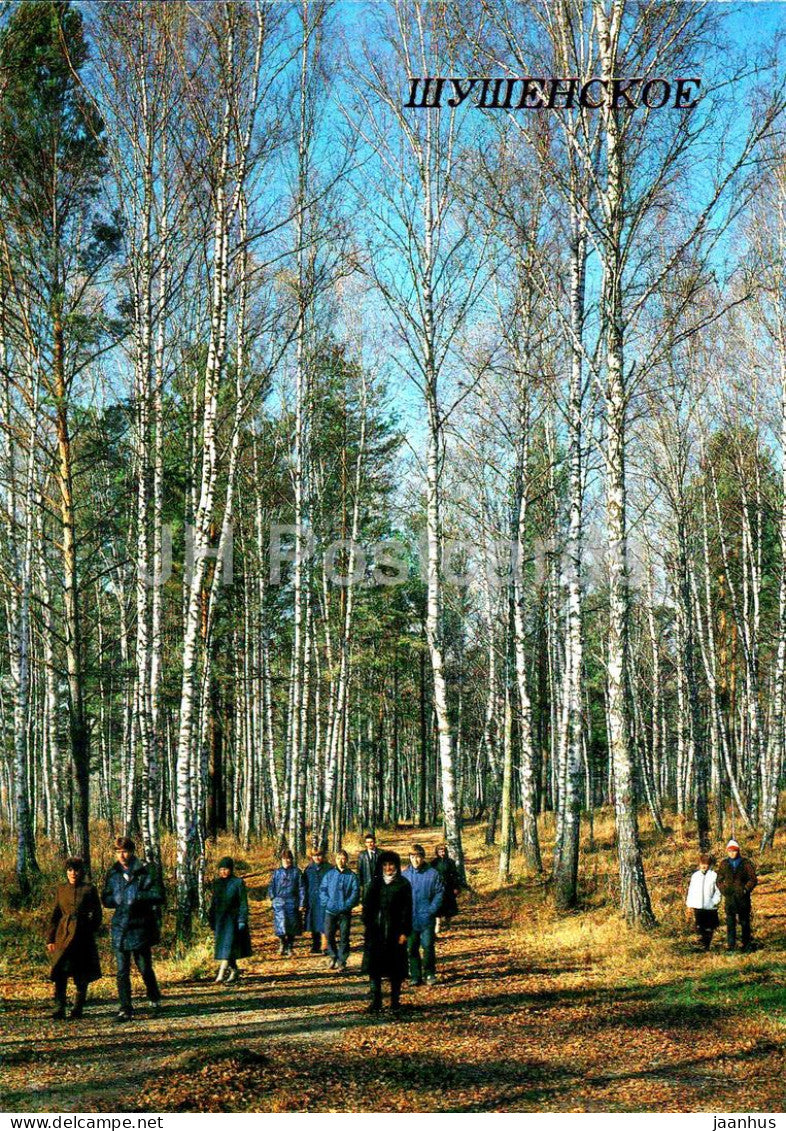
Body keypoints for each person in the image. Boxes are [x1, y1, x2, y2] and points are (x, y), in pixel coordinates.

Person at [102, 836, 164, 1021]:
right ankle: (125, 1008)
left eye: (125, 851)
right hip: (120, 927)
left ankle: (154, 998)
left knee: (145, 968)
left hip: (140, 927)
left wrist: (137, 896)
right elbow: (105, 897)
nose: (122, 855)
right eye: (118, 852)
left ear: (133, 851)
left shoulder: (146, 870)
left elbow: (159, 895)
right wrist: (115, 900)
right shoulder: (112, 873)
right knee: (121, 971)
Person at [46, 857, 102, 1020]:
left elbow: (97, 914)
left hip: (83, 937)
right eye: (70, 870)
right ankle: (59, 1007)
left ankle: (78, 1008)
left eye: (76, 870)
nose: (73, 873)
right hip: (63, 934)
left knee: (81, 973)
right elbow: (55, 915)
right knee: (60, 971)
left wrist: (89, 928)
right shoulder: (61, 889)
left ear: (82, 871)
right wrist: (50, 939)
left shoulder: (89, 889)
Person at [361, 849, 412, 1016]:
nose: (388, 867)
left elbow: (407, 909)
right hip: (376, 931)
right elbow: (367, 908)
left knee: (395, 969)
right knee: (374, 968)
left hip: (395, 931)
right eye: (385, 865)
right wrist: (369, 925)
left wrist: (404, 932)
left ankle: (395, 1002)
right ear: (381, 866)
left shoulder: (403, 884)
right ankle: (376, 1002)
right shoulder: (374, 884)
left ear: (396, 865)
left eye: (391, 864)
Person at [402, 844, 444, 986]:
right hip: (411, 918)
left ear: (423, 857)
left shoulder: (433, 873)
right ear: (409, 858)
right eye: (412, 857)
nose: (415, 860)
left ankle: (430, 973)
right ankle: (415, 976)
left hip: (427, 918)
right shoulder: (405, 875)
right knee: (412, 947)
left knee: (427, 946)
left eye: (418, 857)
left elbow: (439, 893)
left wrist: (432, 910)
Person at [208, 857, 251, 984]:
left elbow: (243, 903)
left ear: (231, 870)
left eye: (225, 869)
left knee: (227, 947)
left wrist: (242, 919)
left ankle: (220, 975)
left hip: (233, 921)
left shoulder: (238, 883)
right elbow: (214, 902)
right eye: (221, 870)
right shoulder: (217, 883)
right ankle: (234, 970)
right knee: (226, 948)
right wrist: (210, 918)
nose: (223, 872)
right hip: (220, 921)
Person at [319, 849, 359, 970]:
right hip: (330, 911)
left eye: (343, 858)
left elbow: (355, 893)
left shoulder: (352, 876)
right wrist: (328, 903)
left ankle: (342, 961)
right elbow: (323, 890)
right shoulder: (329, 874)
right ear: (335, 860)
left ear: (346, 860)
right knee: (328, 934)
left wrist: (346, 905)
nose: (340, 861)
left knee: (344, 937)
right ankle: (333, 956)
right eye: (338, 858)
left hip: (344, 912)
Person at [716, 838, 759, 952]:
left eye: (734, 851)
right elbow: (719, 880)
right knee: (730, 923)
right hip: (730, 898)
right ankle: (731, 945)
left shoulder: (746, 863)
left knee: (745, 922)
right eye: (730, 851)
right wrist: (724, 890)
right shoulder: (724, 864)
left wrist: (745, 889)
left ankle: (746, 944)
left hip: (743, 898)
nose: (732, 853)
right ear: (727, 851)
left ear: (738, 851)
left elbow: (753, 879)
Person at [268, 849, 305, 956]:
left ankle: (289, 947)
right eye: (285, 859)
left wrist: (302, 903)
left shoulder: (297, 872)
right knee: (280, 926)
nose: (287, 861)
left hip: (292, 901)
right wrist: (273, 898)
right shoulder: (277, 872)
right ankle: (282, 944)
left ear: (292, 859)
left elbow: (301, 888)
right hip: (279, 902)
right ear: (281, 860)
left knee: (292, 926)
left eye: (289, 858)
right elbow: (271, 886)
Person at [685, 852, 721, 951]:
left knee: (709, 927)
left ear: (710, 865)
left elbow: (718, 891)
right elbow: (691, 891)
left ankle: (707, 945)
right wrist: (689, 904)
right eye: (702, 863)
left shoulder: (714, 876)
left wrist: (714, 902)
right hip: (698, 906)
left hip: (710, 907)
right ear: (699, 864)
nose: (704, 866)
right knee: (700, 927)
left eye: (706, 864)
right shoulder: (695, 876)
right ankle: (702, 946)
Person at [303, 845, 331, 953]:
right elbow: (304, 886)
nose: (317, 858)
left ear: (323, 856)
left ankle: (325, 946)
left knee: (324, 922)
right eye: (315, 856)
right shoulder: (308, 869)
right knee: (313, 922)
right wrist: (304, 901)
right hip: (312, 899)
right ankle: (315, 945)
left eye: (319, 855)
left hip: (325, 900)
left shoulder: (329, 868)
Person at [431, 843, 460, 935]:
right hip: (437, 888)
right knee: (438, 907)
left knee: (449, 906)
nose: (442, 853)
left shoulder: (451, 862)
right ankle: (438, 924)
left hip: (449, 887)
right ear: (437, 852)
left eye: (443, 851)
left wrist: (456, 887)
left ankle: (448, 924)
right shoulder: (433, 863)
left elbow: (455, 876)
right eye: (440, 851)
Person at [357, 832, 382, 903]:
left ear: (374, 842)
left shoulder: (381, 853)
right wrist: (360, 886)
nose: (370, 844)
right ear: (365, 843)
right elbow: (359, 871)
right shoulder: (362, 855)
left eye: (371, 842)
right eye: (367, 842)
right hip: (367, 885)